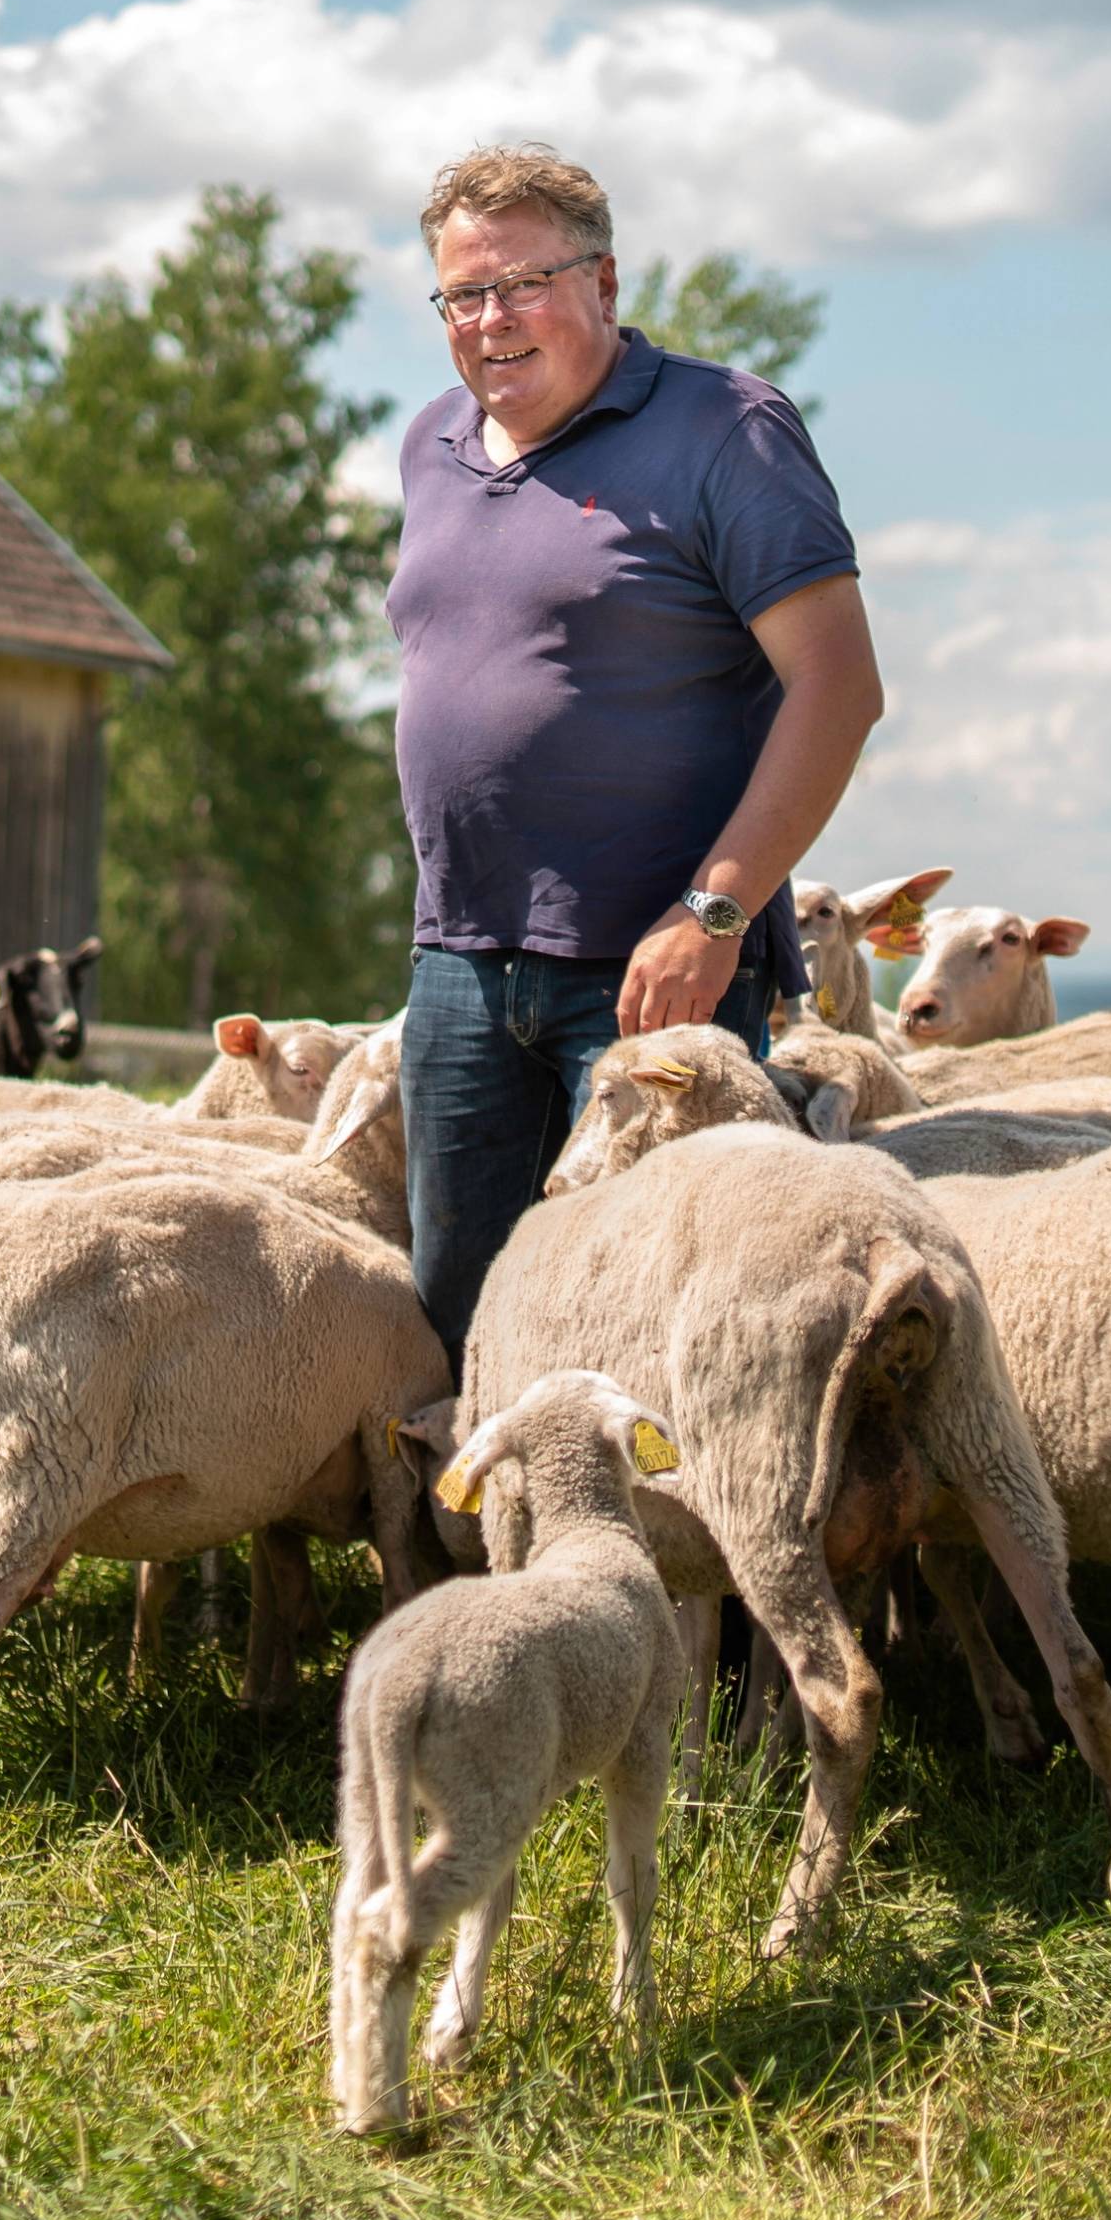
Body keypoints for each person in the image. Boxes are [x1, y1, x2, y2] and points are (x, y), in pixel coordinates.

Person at [386, 142, 883, 1363]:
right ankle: (499, 1558)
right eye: (460, 294)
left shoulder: (724, 426)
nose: (489, 320)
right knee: (465, 1329)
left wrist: (711, 915)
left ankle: (665, 1560)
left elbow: (838, 686)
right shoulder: (431, 444)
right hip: (458, 962)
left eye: (523, 283)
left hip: (652, 974)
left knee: (654, 1331)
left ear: (603, 281)